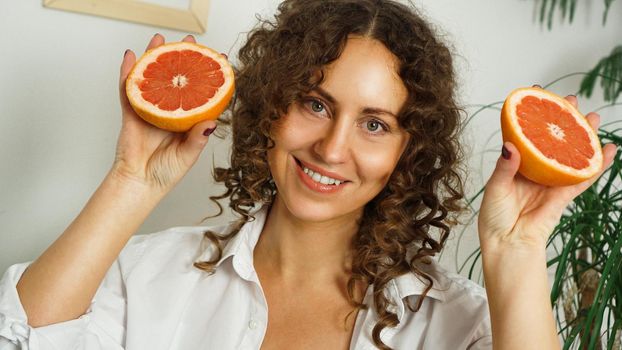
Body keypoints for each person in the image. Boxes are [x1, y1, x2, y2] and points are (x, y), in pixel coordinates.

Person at [0, 0, 617, 349]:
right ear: (272, 103)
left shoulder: (458, 325)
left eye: (374, 124)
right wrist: (132, 180)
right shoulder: (150, 278)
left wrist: (516, 249)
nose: (330, 147)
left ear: (410, 149)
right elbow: (22, 339)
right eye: (315, 105)